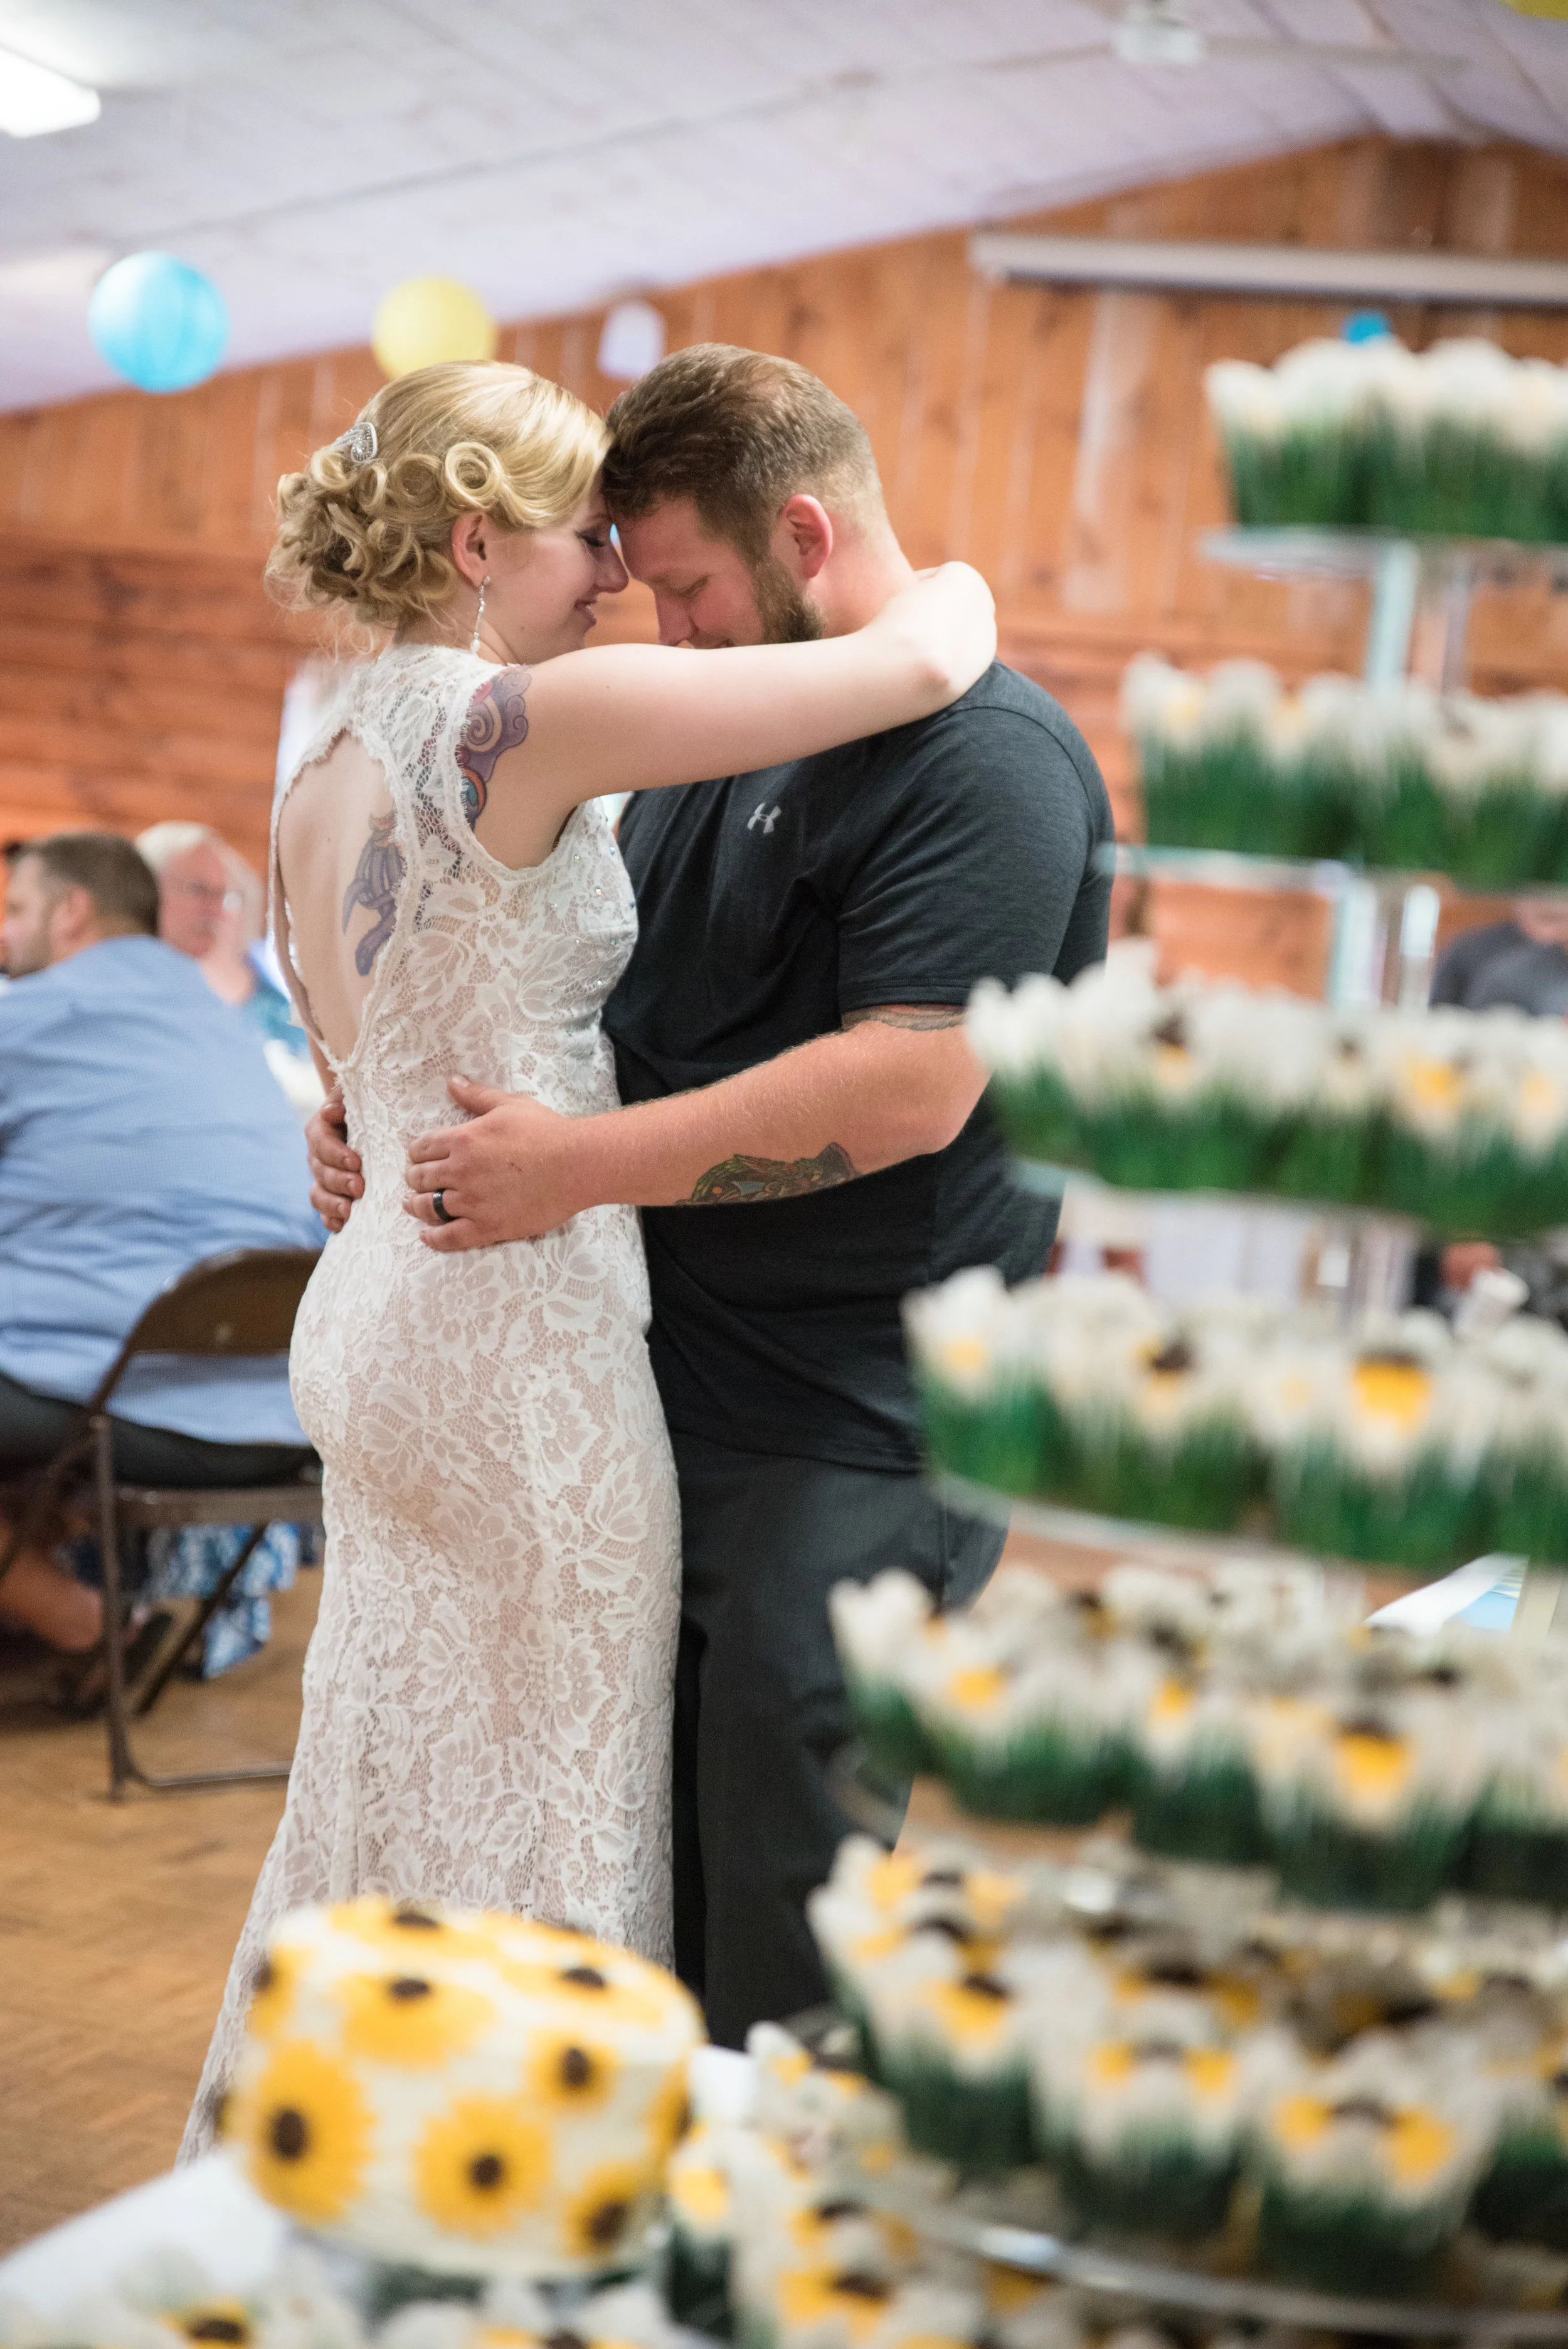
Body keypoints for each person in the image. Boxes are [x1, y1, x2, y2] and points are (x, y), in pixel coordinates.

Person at [182, 358, 993, 2151]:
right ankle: (539, 2192)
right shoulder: (516, 723)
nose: (617, 578)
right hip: (516, 1339)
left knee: (383, 1773)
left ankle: (324, 2141)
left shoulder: (316, 757)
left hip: (374, 1313)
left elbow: (361, 1070)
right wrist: (951, 578)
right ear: (477, 539)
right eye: (586, 540)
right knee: (560, 1798)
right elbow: (919, 669)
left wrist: (359, 1138)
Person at [314, 345, 1113, 2047]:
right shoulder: (726, 719)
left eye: (679, 584)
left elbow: (905, 1086)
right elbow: (583, 1010)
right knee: (627, 1884)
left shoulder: (987, 764)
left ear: (803, 533)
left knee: (774, 1911)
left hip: (850, 1422)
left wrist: (565, 1168)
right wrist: (381, 1127)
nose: (657, 626)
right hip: (645, 1381)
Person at [0, 832, 320, 1695]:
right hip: (281, 1419)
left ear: (71, 913)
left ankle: (85, 1624)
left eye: (17, 910)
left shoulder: (25, 1018)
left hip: (131, 1408)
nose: (6, 934)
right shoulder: (228, 1033)